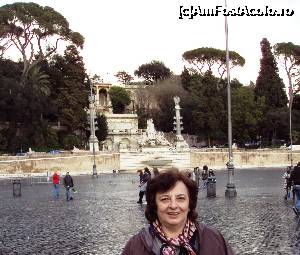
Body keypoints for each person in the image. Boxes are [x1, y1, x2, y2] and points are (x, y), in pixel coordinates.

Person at [122, 169, 234, 254]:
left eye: (180, 198)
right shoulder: (135, 246)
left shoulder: (215, 240)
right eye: (165, 199)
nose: (173, 205)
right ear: (154, 205)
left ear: (189, 204)